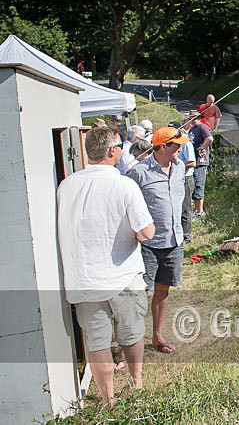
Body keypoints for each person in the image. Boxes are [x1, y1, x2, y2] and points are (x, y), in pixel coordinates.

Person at [56, 126, 155, 406]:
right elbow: (146, 232)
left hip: (83, 278)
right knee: (131, 332)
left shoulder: (67, 186)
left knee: (98, 343)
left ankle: (107, 400)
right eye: (120, 147)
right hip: (122, 275)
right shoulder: (124, 185)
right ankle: (137, 384)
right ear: (113, 151)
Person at [126, 127, 188, 354]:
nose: (180, 149)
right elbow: (125, 205)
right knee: (140, 294)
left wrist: (185, 228)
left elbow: (184, 200)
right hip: (147, 245)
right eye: (177, 145)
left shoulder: (180, 167)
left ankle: (157, 336)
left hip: (174, 241)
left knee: (163, 290)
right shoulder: (139, 173)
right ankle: (127, 345)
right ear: (163, 146)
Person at [169, 120, 196, 243]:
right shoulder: (171, 144)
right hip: (176, 177)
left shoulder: (186, 144)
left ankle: (187, 236)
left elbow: (192, 162)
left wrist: (177, 167)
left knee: (186, 207)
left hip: (186, 178)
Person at [188, 113, 213, 218]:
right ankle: (195, 210)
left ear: (199, 118)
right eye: (190, 119)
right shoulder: (192, 129)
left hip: (200, 161)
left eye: (194, 118)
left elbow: (209, 139)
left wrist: (202, 148)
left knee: (199, 185)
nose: (192, 120)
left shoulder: (202, 128)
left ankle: (199, 212)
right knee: (193, 185)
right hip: (193, 161)